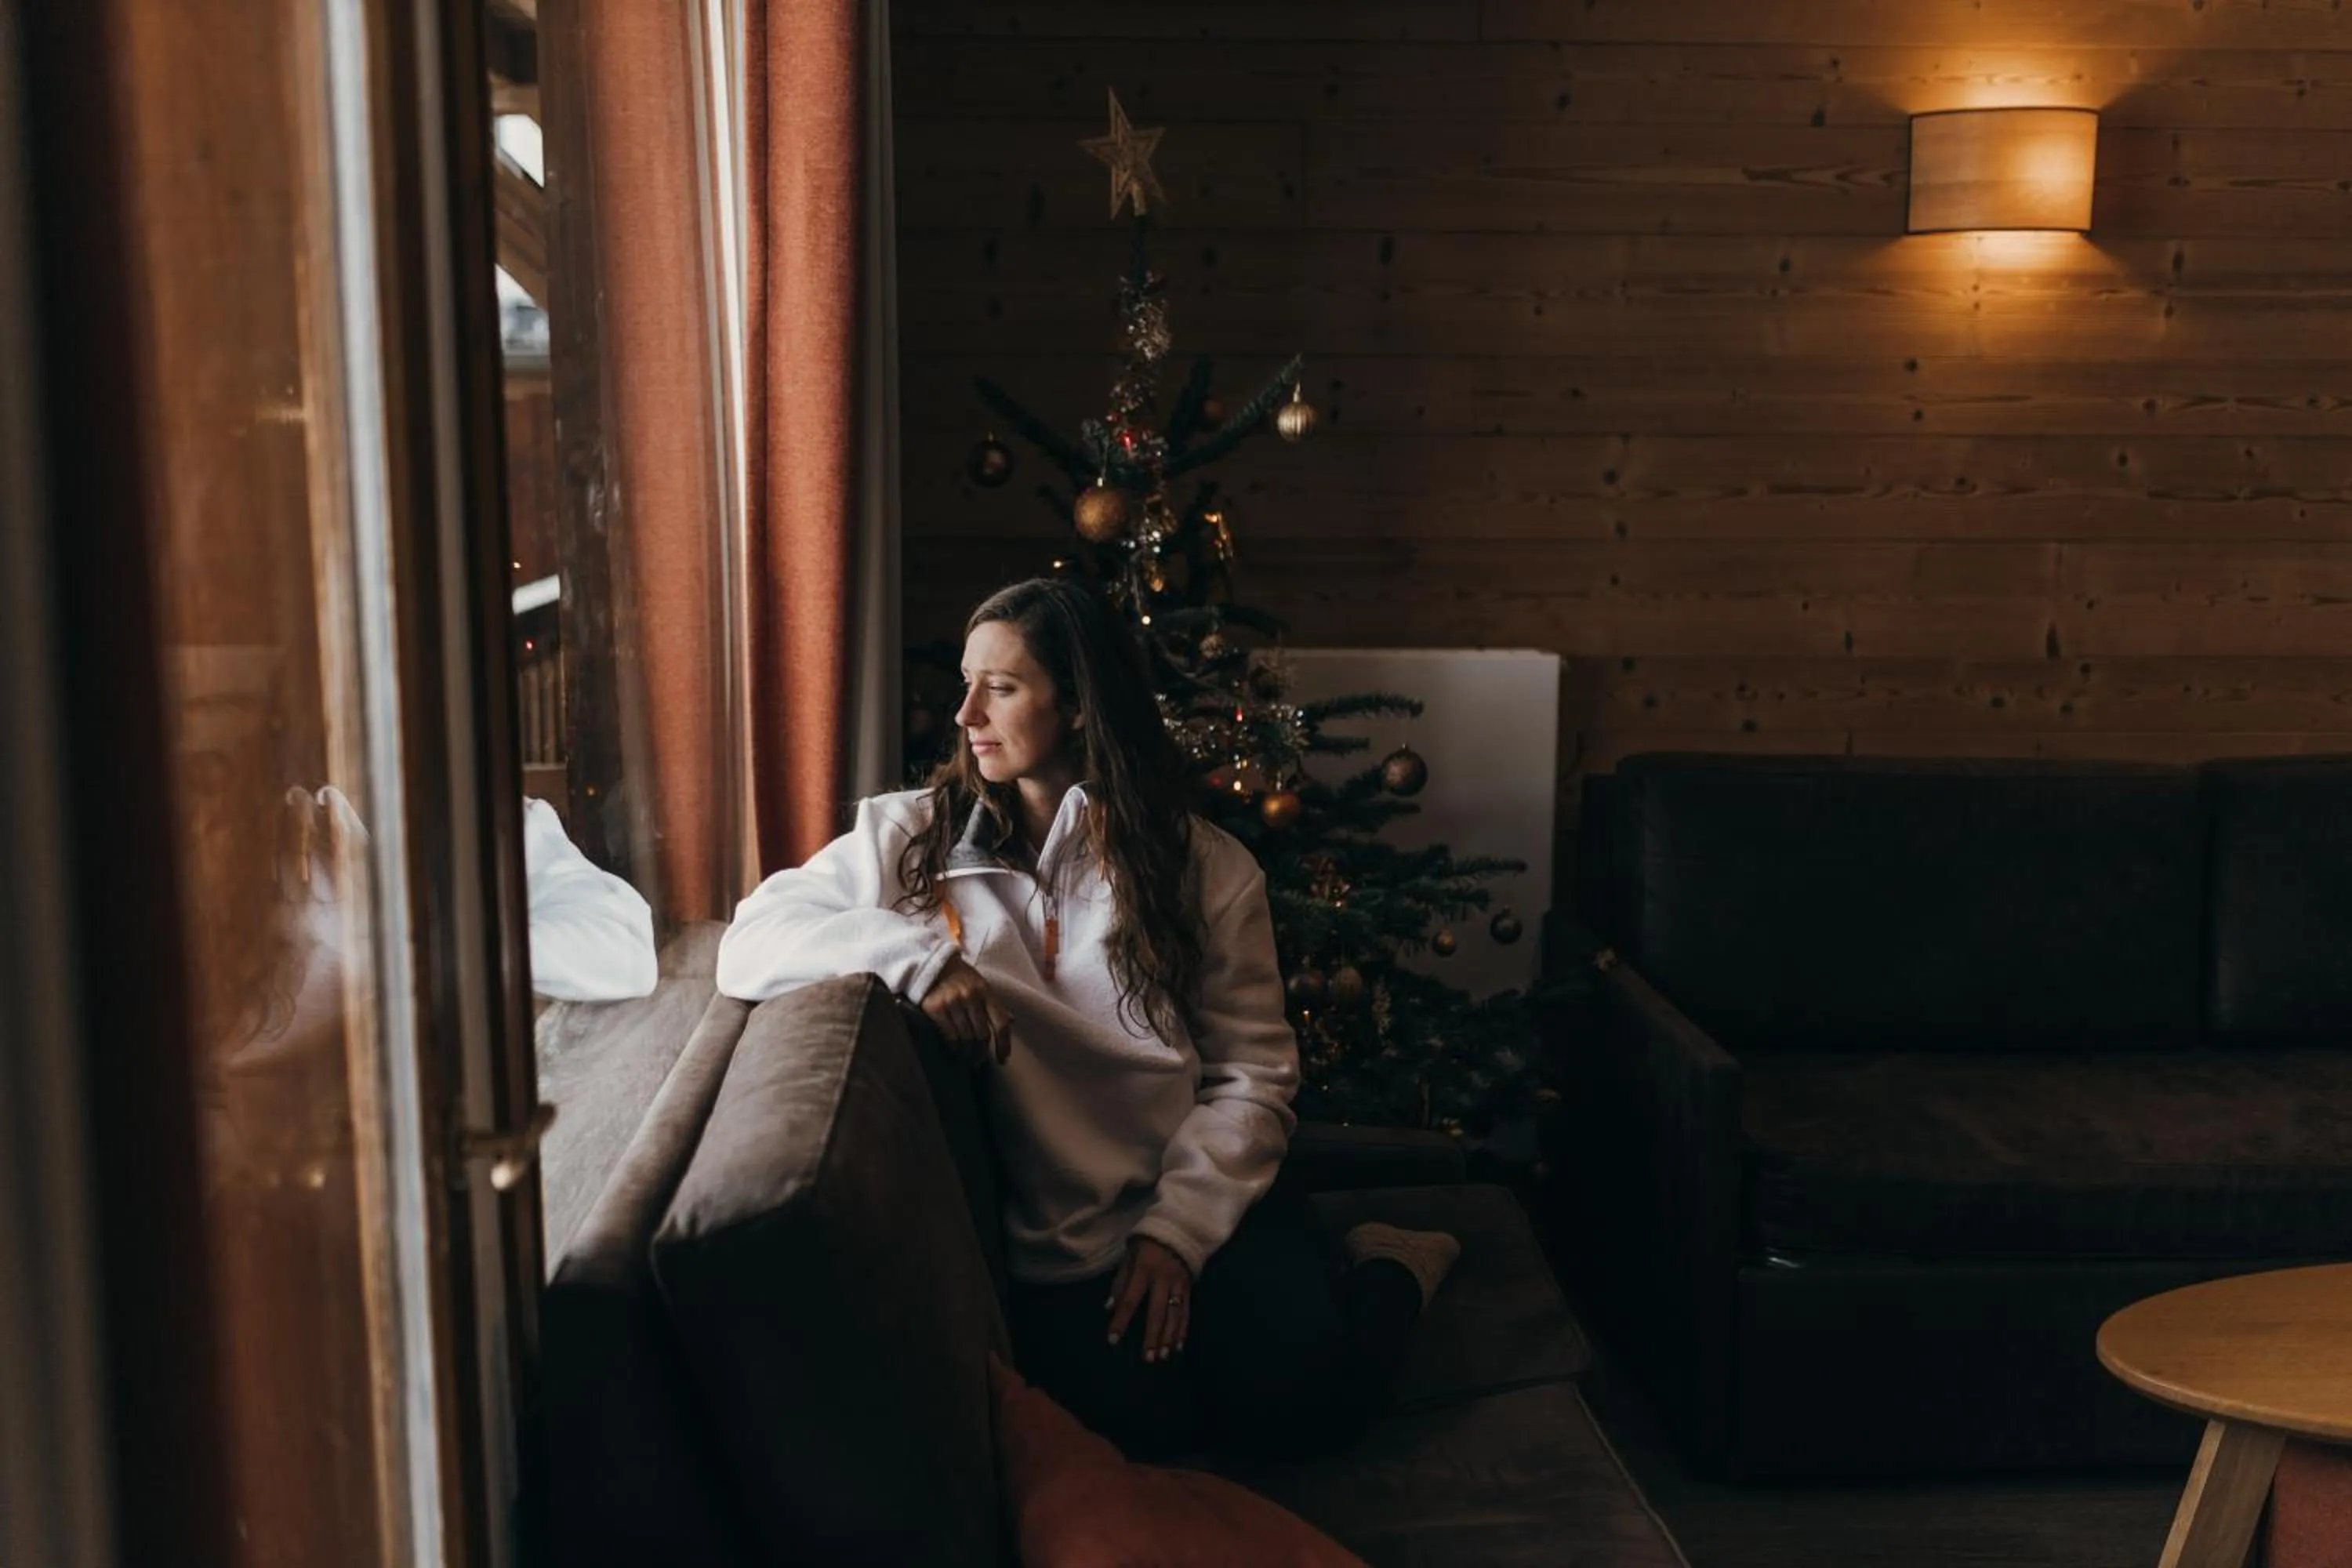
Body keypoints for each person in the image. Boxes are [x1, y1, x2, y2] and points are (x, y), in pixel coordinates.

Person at [715, 577, 1460, 1461]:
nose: (964, 714)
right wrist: (919, 959)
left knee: (1310, 1414)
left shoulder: (1207, 869)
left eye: (1000, 687)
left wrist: (1175, 1233)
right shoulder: (912, 837)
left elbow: (1252, 1078)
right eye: (966, 682)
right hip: (1061, 1254)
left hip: (1202, 1202)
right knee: (1153, 1440)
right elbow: (749, 938)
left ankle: (1393, 1262)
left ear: (1076, 706)